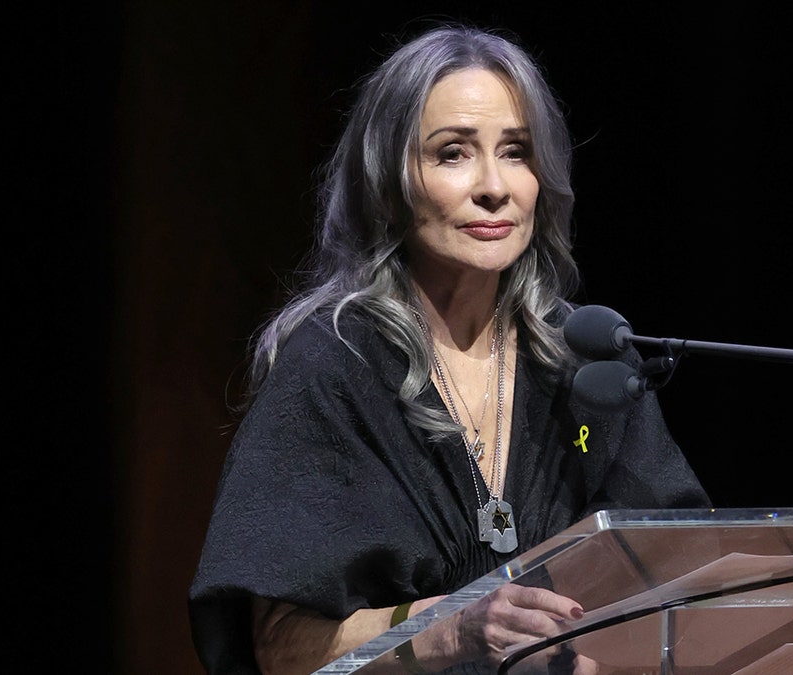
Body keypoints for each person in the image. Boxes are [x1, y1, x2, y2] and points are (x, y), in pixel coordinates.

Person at [188, 22, 712, 675]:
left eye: (516, 151)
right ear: (389, 179)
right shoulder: (333, 367)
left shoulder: (587, 364)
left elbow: (691, 582)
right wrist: (450, 628)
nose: (494, 185)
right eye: (453, 153)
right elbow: (280, 647)